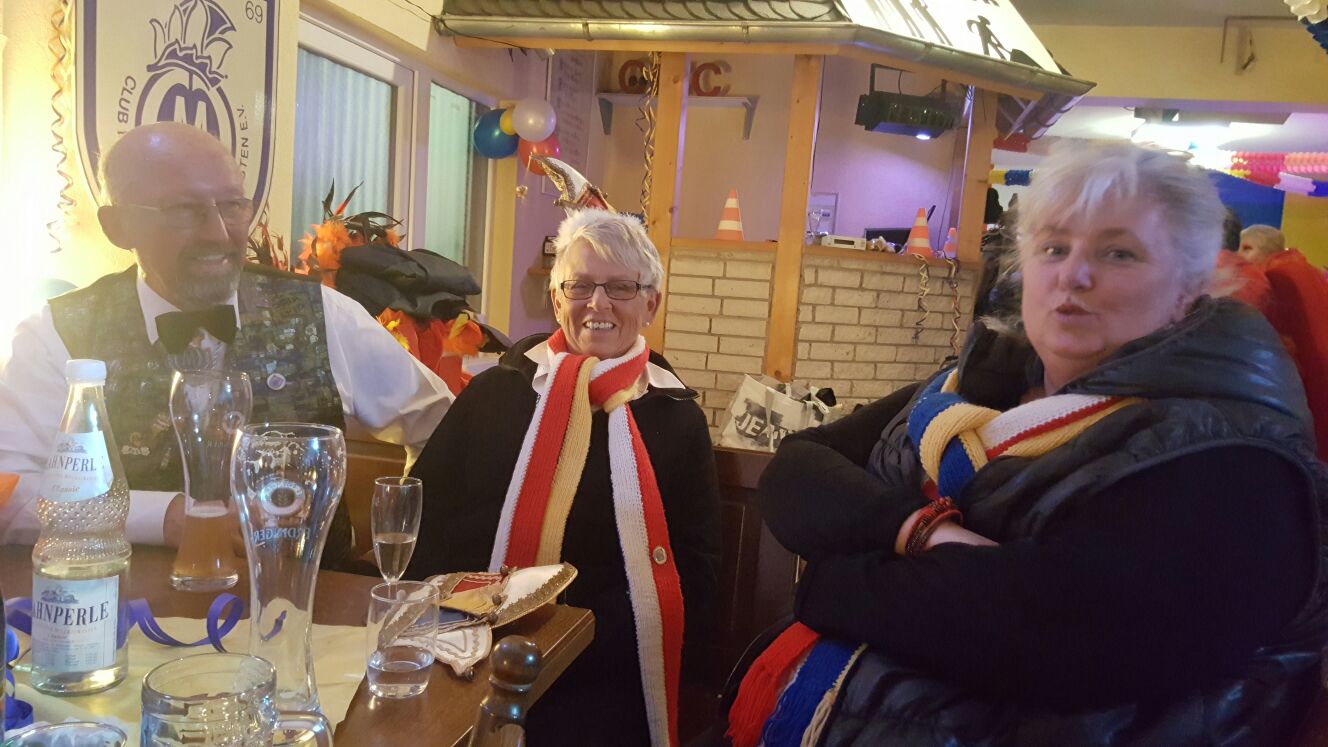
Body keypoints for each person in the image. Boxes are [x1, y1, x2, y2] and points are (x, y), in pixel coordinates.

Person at [722, 142, 1327, 746]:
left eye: (1119, 253)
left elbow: (1055, 639)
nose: (1073, 275)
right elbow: (796, 470)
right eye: (1054, 248)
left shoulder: (1237, 456)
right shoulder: (969, 386)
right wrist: (921, 531)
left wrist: (828, 584)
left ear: (1189, 288)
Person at [0, 123, 453, 570]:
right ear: (118, 227)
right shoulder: (58, 333)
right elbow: (11, 492)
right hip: (117, 610)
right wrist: (167, 518)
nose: (218, 233)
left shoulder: (323, 314)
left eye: (233, 206)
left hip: (311, 608)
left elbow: (447, 431)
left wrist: (408, 555)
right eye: (183, 210)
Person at [406, 208, 720, 746]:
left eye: (621, 287)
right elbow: (424, 517)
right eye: (580, 286)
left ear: (650, 304)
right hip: (462, 651)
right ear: (557, 300)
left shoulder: (676, 419)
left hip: (603, 668)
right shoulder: (493, 393)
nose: (598, 303)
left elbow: (696, 573)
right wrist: (452, 630)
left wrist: (569, 642)